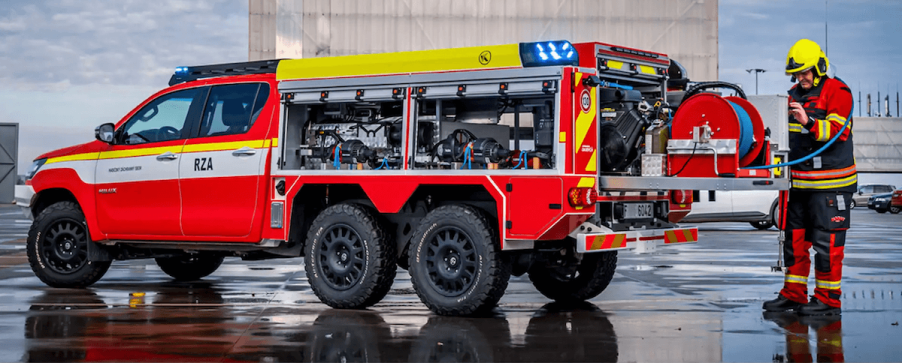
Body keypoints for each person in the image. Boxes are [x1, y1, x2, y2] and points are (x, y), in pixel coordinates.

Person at [763, 39, 855, 316]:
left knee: (827, 246)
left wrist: (809, 121)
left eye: (804, 72)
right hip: (799, 184)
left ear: (820, 67)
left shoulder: (838, 91)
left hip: (831, 186)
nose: (800, 78)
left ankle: (828, 301)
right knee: (795, 242)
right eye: (796, 74)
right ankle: (794, 294)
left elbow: (839, 131)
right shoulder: (792, 94)